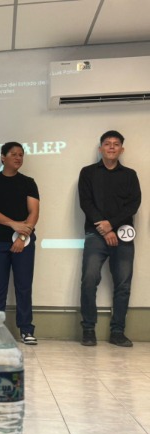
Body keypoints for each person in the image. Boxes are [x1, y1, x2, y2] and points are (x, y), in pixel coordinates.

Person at [78, 130, 141, 347]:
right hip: (95, 234)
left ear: (122, 149)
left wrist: (111, 225)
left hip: (123, 235)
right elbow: (86, 203)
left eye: (116, 144)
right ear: (100, 148)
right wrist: (105, 229)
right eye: (107, 143)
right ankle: (88, 329)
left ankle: (117, 332)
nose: (111, 147)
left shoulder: (130, 175)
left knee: (123, 284)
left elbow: (133, 205)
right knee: (89, 280)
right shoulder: (88, 172)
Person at [0, 142, 40, 345]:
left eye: (21, 154)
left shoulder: (29, 182)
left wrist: (22, 237)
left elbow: (34, 212)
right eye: (14, 154)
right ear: (3, 157)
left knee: (24, 287)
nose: (18, 158)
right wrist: (13, 224)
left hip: (24, 242)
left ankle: (26, 329)